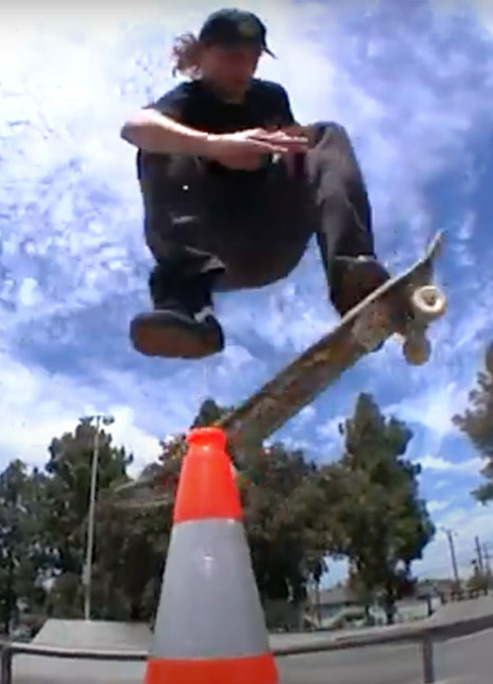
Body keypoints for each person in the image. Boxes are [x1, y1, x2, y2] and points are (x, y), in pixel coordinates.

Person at [121, 7, 393, 360]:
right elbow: (134, 128)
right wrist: (216, 146)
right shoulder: (187, 100)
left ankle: (354, 278)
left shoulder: (271, 98)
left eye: (252, 59)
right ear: (202, 55)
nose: (244, 70)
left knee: (326, 135)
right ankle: (187, 308)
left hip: (270, 239)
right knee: (158, 144)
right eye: (232, 57)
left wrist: (270, 155)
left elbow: (305, 157)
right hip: (211, 243)